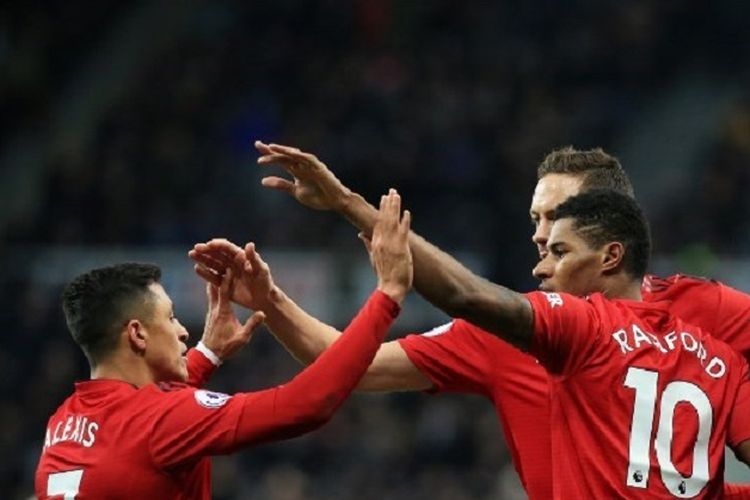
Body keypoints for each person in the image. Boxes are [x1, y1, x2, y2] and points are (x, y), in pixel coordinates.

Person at [222, 141, 750, 498]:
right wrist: (271, 301)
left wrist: (352, 207)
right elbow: (349, 364)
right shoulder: (515, 330)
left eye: (557, 217)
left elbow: (461, 292)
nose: (540, 235)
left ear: (610, 230)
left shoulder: (707, 310)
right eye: (536, 219)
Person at [34, 192, 413, 499]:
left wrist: (208, 354)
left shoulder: (64, 421)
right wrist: (388, 295)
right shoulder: (162, 422)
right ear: (137, 334)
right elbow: (306, 405)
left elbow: (137, 431)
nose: (184, 331)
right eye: (170, 318)